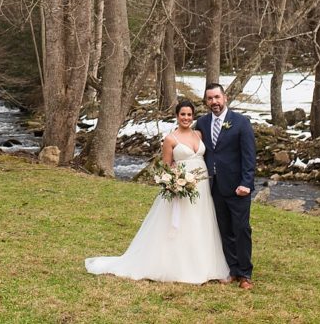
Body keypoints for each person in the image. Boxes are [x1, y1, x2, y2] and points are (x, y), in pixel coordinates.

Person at [85, 99, 230, 284]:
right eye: (182, 114)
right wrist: (175, 183)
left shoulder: (199, 135)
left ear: (193, 116)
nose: (186, 118)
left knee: (201, 223)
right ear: (177, 116)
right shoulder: (171, 139)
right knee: (181, 225)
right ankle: (178, 267)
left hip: (201, 187)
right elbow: (165, 167)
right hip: (181, 188)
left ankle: (205, 266)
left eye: (189, 114)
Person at [198, 82, 257, 290]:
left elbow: (249, 156)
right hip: (214, 187)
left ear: (225, 98)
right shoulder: (202, 124)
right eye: (210, 99)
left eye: (217, 97)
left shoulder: (241, 122)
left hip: (237, 187)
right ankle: (232, 269)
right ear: (206, 102)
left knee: (241, 229)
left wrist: (246, 183)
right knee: (224, 230)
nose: (214, 102)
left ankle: (245, 274)